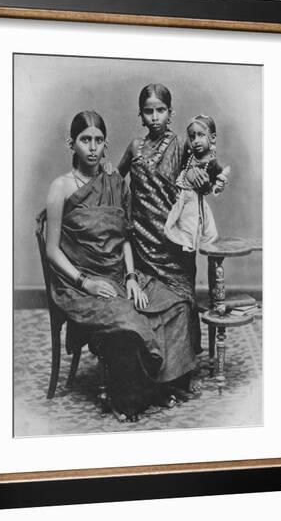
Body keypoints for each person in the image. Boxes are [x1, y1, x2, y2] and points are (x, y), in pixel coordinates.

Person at [45, 110, 181, 421]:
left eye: (98, 141)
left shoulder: (114, 181)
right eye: (84, 140)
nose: (92, 148)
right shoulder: (61, 188)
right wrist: (85, 283)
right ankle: (134, 398)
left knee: (172, 305)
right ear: (72, 143)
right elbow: (52, 250)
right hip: (80, 282)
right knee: (128, 320)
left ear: (106, 144)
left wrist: (132, 277)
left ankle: (161, 383)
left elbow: (124, 237)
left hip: (119, 273)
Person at [118, 84, 226, 396]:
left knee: (182, 303)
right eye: (148, 111)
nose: (154, 117)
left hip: (173, 246)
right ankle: (154, 373)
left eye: (160, 110)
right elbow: (114, 179)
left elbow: (200, 176)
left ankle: (183, 371)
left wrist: (203, 179)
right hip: (141, 246)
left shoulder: (182, 145)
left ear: (171, 112)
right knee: (148, 308)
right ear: (140, 115)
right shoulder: (135, 146)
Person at [164, 114, 230, 251]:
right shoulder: (189, 157)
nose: (196, 141)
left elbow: (215, 187)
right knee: (175, 227)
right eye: (192, 137)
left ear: (213, 138)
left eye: (201, 135)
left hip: (194, 205)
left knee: (192, 230)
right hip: (181, 200)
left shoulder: (212, 164)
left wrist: (218, 185)